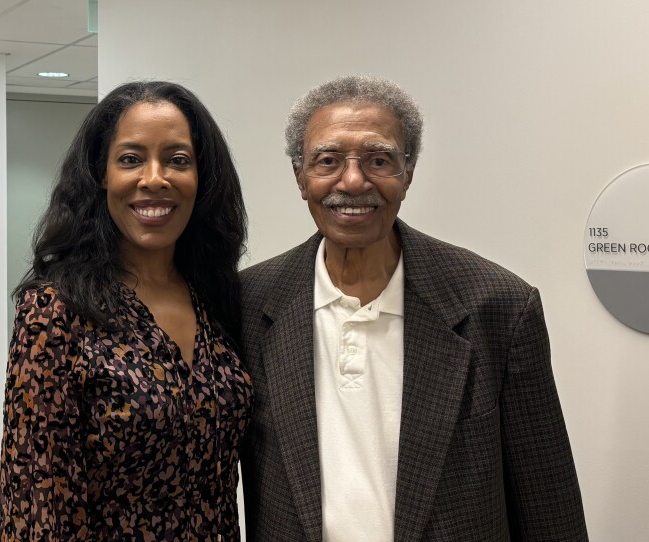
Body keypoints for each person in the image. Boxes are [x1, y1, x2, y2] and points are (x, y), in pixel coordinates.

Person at [239, 75, 587, 541]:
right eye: (328, 160)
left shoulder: (498, 307)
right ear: (300, 176)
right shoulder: (250, 303)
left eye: (379, 160)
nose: (353, 180)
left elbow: (548, 503)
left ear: (409, 172)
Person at [0, 81, 252, 541]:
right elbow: (35, 498)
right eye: (131, 159)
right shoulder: (55, 310)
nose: (154, 178)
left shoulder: (219, 296)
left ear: (202, 176)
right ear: (102, 174)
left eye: (178, 160)